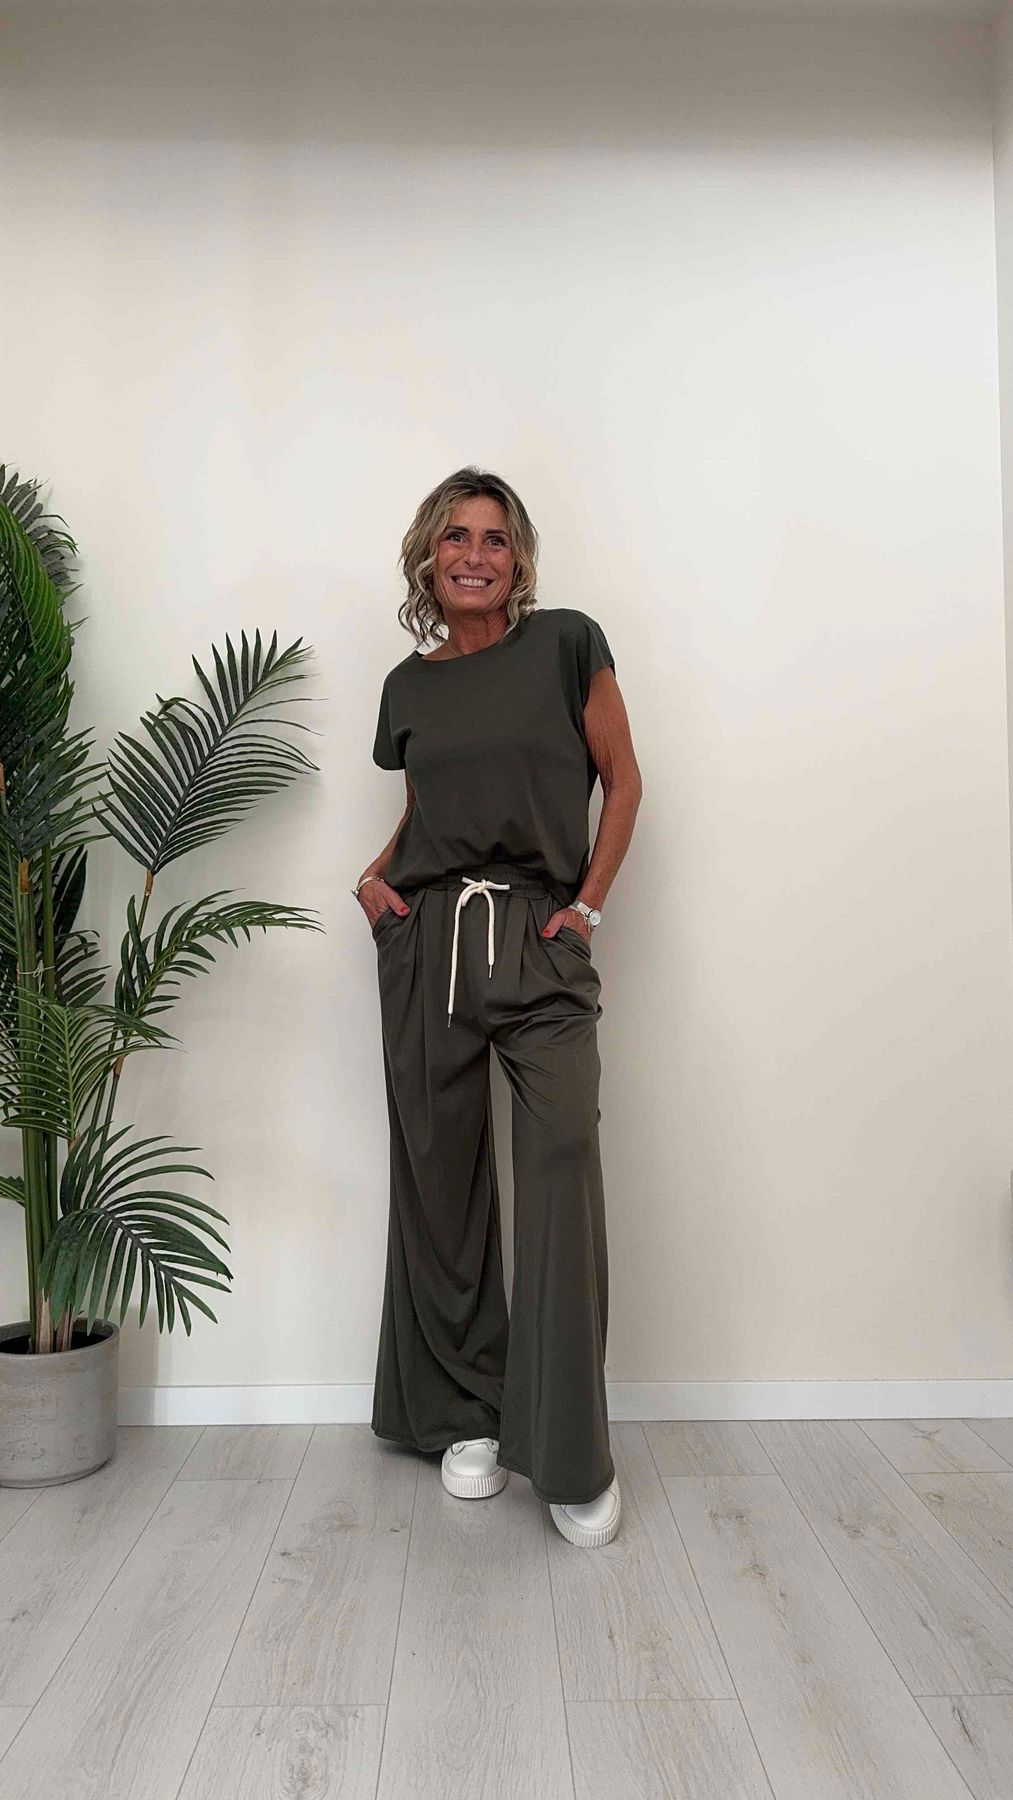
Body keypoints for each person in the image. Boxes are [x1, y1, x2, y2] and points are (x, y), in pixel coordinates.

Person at [355, 465, 643, 1548]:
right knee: (442, 1181)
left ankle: (567, 1452)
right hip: (428, 939)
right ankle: (466, 1412)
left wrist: (586, 908)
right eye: (454, 537)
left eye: (493, 538)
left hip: (536, 934)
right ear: (426, 556)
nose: (473, 555)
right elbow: (427, 805)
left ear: (516, 558)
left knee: (560, 1161)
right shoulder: (407, 687)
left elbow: (622, 780)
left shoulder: (566, 643)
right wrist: (374, 880)